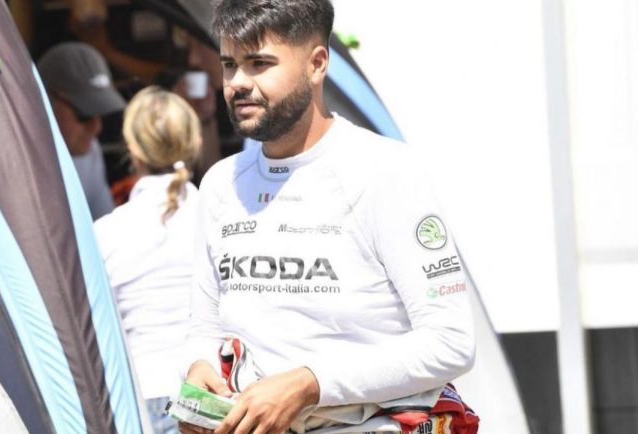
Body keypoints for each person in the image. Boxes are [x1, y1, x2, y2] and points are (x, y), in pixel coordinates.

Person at [180, 1, 476, 433]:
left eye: (260, 64)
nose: (238, 82)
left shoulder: (385, 172)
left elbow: (451, 343)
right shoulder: (220, 183)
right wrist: (198, 368)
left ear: (317, 64)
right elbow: (203, 329)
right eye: (229, 65)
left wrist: (310, 384)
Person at [94, 86, 202, 434]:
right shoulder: (222, 219)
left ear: (133, 149)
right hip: (212, 397)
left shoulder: (105, 232)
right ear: (196, 142)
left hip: (140, 394)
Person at [38, 42, 121, 220]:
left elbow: (102, 221)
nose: (96, 127)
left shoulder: (90, 153)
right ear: (44, 100)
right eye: (84, 114)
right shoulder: (14, 163)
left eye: (100, 113)